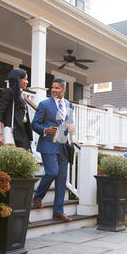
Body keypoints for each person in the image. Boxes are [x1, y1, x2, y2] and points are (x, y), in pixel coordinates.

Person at [31, 78, 75, 222]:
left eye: (58, 88)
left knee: (62, 179)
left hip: (63, 144)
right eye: (53, 87)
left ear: (64, 90)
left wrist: (71, 128)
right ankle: (37, 197)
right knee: (52, 172)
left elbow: (68, 123)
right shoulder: (44, 104)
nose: (54, 90)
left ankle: (58, 211)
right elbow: (34, 124)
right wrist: (45, 130)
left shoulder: (69, 105)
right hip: (48, 144)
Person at [0, 68, 33, 150]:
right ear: (18, 79)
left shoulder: (20, 94)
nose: (27, 82)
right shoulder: (9, 92)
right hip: (13, 134)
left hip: (23, 134)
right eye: (25, 79)